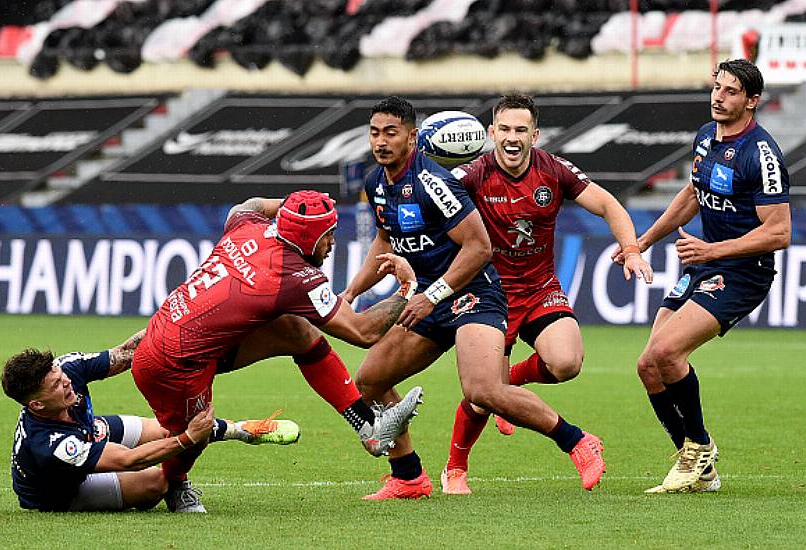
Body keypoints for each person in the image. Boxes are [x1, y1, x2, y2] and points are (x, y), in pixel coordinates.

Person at [341, 96, 607, 500]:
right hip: (430, 297)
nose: (381, 142)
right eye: (375, 133)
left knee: (483, 391)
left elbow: (479, 248)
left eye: (391, 133)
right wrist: (351, 291)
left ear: (412, 138)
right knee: (371, 380)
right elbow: (383, 239)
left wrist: (433, 295)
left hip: (473, 293)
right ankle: (409, 476)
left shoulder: (435, 183)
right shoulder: (377, 183)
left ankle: (576, 440)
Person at [131, 190, 424, 512]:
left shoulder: (248, 226)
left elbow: (247, 205)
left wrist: (291, 206)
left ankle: (368, 427)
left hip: (178, 339)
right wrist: (408, 288)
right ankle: (176, 485)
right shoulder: (293, 276)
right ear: (310, 239)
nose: (332, 244)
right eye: (328, 235)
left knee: (296, 330)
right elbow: (364, 332)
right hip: (174, 366)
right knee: (192, 435)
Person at [435, 92, 654, 494]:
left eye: (521, 130)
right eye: (504, 129)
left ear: (535, 134)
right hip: (488, 294)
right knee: (483, 398)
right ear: (491, 133)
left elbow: (608, 205)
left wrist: (632, 249)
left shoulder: (554, 170)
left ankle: (510, 383)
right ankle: (455, 468)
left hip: (539, 287)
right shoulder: (472, 176)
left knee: (567, 362)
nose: (512, 137)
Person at [618, 59, 790, 493]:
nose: (718, 97)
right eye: (716, 88)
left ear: (752, 101)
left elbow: (779, 231)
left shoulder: (761, 153)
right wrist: (643, 241)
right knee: (648, 365)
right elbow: (692, 194)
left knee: (668, 351)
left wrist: (712, 250)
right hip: (706, 263)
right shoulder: (705, 137)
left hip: (743, 272)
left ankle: (699, 447)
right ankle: (699, 467)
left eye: (731, 92)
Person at [2, 330, 295, 512]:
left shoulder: (67, 368)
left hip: (85, 431)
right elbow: (129, 460)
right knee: (156, 480)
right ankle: (175, 486)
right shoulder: (51, 445)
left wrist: (169, 327)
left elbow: (125, 354)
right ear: (37, 404)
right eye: (55, 386)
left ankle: (242, 430)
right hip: (59, 490)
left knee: (168, 428)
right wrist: (188, 439)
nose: (66, 383)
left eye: (60, 376)